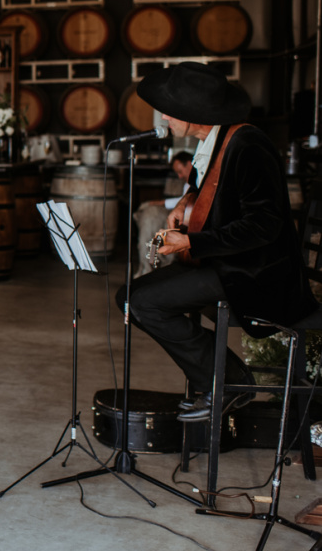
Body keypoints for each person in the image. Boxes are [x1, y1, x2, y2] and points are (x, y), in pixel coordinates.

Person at [118, 61, 317, 422]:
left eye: (169, 109)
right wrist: (184, 203)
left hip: (256, 274)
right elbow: (208, 189)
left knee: (144, 303)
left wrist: (191, 243)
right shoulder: (215, 141)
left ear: (194, 113)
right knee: (129, 297)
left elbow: (263, 226)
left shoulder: (249, 145)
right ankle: (222, 381)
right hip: (224, 264)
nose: (162, 117)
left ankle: (227, 383)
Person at [132, 151, 193, 277]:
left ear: (189, 164)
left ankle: (157, 264)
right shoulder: (188, 183)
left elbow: (185, 201)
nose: (180, 176)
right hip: (179, 212)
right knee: (149, 220)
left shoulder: (197, 180)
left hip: (187, 217)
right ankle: (148, 264)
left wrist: (160, 202)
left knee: (156, 221)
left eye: (180, 171)